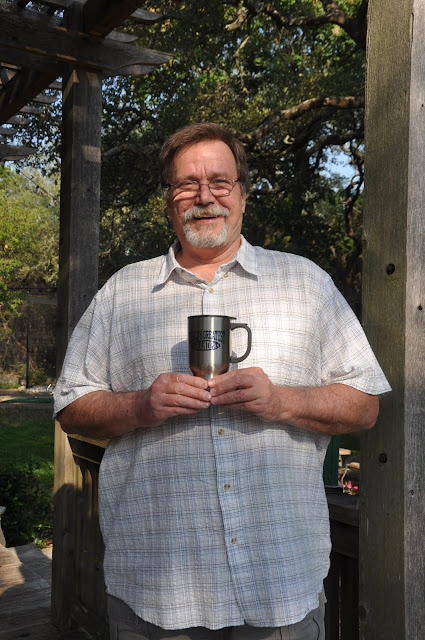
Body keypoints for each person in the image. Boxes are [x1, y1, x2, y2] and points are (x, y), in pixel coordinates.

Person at [54, 122, 391, 640]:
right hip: (157, 591)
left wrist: (281, 401)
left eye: (219, 182)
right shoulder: (122, 293)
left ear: (243, 195)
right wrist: (139, 407)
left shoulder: (305, 284)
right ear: (168, 199)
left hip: (280, 582)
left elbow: (364, 405)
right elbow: (71, 406)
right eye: (187, 184)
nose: (204, 197)